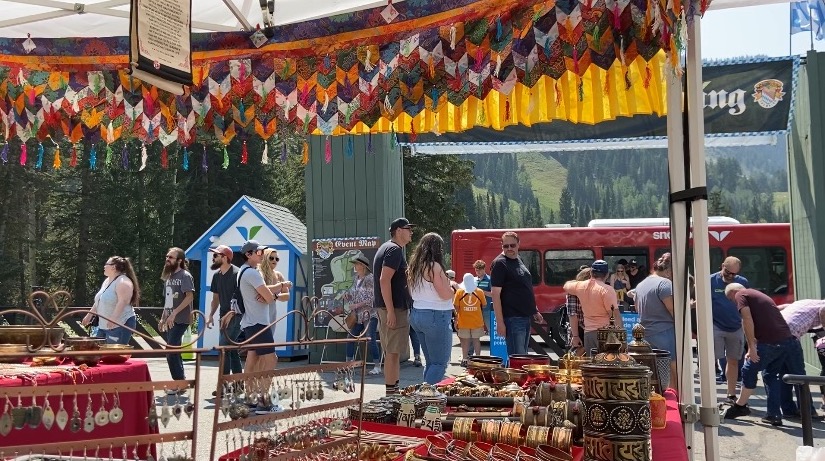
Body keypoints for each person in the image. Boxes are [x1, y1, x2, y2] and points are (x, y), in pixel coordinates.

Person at [723, 284, 810, 426]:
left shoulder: (741, 294)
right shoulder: (757, 294)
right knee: (771, 375)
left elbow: (747, 319)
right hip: (787, 340)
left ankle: (740, 406)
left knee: (748, 369)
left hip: (771, 342)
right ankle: (774, 415)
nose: (734, 303)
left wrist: (751, 347)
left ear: (733, 292)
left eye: (731, 299)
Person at [229, 240, 277, 412]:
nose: (261, 254)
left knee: (252, 358)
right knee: (271, 359)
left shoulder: (243, 271)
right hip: (259, 322)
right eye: (258, 252)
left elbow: (265, 295)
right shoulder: (253, 274)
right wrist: (272, 295)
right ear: (249, 254)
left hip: (250, 322)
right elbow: (269, 297)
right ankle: (264, 400)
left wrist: (267, 295)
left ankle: (251, 399)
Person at [374, 217, 415, 395]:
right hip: (393, 309)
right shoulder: (394, 250)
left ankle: (393, 391)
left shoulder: (387, 248)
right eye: (408, 228)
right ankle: (391, 394)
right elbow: (384, 280)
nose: (411, 232)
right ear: (398, 231)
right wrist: (390, 311)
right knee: (392, 353)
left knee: (394, 352)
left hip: (391, 308)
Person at [407, 232, 455, 385]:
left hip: (417, 314)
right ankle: (425, 399)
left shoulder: (413, 267)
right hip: (436, 315)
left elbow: (411, 292)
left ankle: (423, 396)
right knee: (439, 363)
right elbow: (444, 294)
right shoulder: (434, 266)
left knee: (431, 362)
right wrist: (453, 289)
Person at [632, 252, 676, 389]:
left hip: (646, 333)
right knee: (672, 370)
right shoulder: (665, 284)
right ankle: (675, 400)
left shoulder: (641, 285)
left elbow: (638, 308)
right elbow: (673, 310)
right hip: (664, 332)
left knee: (652, 371)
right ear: (669, 270)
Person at [491, 231, 539, 356]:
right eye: (505, 246)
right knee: (517, 359)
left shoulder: (518, 259)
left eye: (512, 245)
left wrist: (534, 310)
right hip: (512, 318)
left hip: (525, 316)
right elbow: (495, 295)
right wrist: (500, 323)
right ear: (502, 246)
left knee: (522, 358)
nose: (509, 249)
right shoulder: (499, 264)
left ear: (519, 244)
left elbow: (524, 286)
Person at [711, 256, 749, 403]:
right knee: (712, 358)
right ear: (722, 266)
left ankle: (731, 393)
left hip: (736, 326)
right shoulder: (710, 281)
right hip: (715, 325)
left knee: (733, 360)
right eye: (728, 272)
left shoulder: (742, 282)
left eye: (734, 274)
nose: (731, 276)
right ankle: (709, 394)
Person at [564, 260, 620, 355]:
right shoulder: (607, 290)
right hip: (606, 334)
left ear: (591, 273)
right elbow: (615, 316)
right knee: (608, 364)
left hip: (588, 333)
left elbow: (566, 286)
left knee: (592, 365)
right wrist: (621, 338)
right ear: (607, 275)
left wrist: (574, 282)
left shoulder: (580, 286)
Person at [160, 247, 195, 395]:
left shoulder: (185, 276)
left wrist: (174, 313)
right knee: (174, 351)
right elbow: (168, 299)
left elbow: (189, 296)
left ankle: (179, 383)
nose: (168, 259)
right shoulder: (168, 277)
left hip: (181, 319)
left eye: (171, 257)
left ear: (179, 260)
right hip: (170, 319)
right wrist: (163, 317)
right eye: (167, 256)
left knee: (171, 350)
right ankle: (180, 382)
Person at [206, 245, 242, 387]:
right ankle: (239, 384)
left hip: (237, 316)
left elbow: (242, 299)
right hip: (223, 317)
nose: (213, 258)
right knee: (231, 351)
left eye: (216, 255)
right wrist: (210, 315)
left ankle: (223, 385)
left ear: (225, 258)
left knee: (224, 348)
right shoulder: (216, 276)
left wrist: (231, 313)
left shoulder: (236, 274)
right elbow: (216, 299)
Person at [778, 299, 825, 409]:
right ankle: (807, 411)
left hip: (777, 332)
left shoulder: (804, 303)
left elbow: (784, 306)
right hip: (790, 336)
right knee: (799, 375)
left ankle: (788, 410)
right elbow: (823, 309)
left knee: (784, 373)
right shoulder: (821, 305)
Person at [82, 256, 140, 345]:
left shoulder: (123, 282)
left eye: (106, 264)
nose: (104, 267)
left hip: (119, 324)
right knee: (99, 352)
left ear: (113, 267)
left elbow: (123, 301)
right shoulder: (107, 281)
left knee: (114, 355)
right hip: (103, 325)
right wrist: (89, 315)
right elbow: (99, 300)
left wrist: (113, 318)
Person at [343, 252, 379, 375]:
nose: (355, 266)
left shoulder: (369, 279)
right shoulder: (355, 279)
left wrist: (356, 305)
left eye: (357, 264)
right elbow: (354, 295)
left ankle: (377, 366)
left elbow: (371, 298)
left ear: (363, 266)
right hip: (357, 316)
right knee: (350, 338)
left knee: (370, 339)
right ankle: (349, 364)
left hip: (369, 315)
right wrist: (347, 296)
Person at [259, 247, 292, 367]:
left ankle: (262, 377)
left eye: (276, 259)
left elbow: (287, 296)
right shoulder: (259, 273)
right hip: (258, 313)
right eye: (271, 258)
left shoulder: (278, 275)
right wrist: (278, 290)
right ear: (265, 258)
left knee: (267, 347)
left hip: (271, 313)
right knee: (260, 351)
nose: (274, 261)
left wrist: (275, 297)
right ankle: (255, 378)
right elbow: (261, 291)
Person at [454, 273, 487, 367]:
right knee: (476, 340)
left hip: (463, 321)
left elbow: (456, 306)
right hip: (477, 321)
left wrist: (456, 320)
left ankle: (464, 359)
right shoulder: (479, 291)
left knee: (465, 341)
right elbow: (484, 305)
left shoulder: (459, 292)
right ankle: (478, 359)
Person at [565, 266, 591, 356]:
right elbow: (573, 314)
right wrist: (575, 336)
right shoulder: (573, 292)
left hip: (588, 328)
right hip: (580, 329)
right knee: (577, 359)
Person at [474, 260, 493, 335]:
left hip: (487, 308)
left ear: (484, 269)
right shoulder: (474, 280)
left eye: (479, 270)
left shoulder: (489, 280)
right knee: (475, 329)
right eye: (476, 270)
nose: (478, 272)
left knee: (490, 328)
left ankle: (493, 346)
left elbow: (493, 294)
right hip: (476, 309)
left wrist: (481, 292)